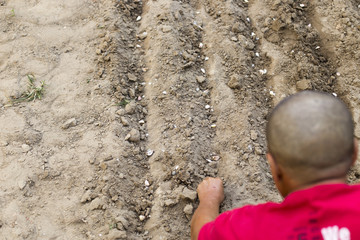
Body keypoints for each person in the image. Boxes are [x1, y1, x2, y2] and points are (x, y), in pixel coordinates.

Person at [191, 91, 360, 240]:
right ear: (354, 153)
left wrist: (210, 199)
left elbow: (201, 233)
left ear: (274, 168)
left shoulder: (251, 228)